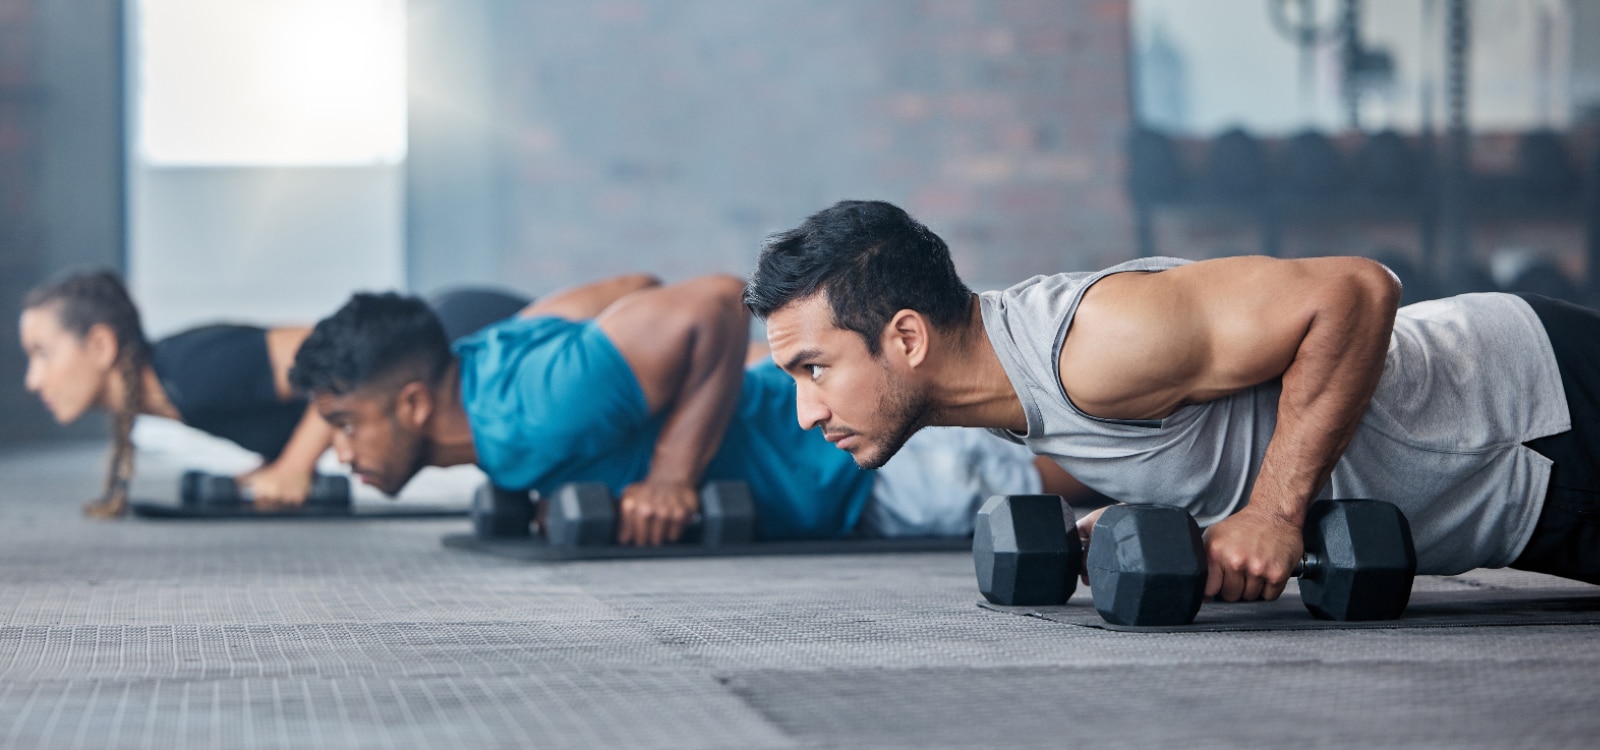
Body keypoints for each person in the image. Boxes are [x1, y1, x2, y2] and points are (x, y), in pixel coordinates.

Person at [745, 199, 1600, 602]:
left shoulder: (1090, 345)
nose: (805, 412)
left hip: (1539, 409)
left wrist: (1270, 512)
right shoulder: (1007, 395)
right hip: (1519, 499)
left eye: (814, 369)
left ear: (905, 339)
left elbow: (1354, 290)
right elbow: (1202, 431)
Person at [288, 274, 1089, 546]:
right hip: (825, 457)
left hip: (869, 467)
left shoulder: (532, 410)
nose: (339, 453)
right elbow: (630, 286)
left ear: (416, 401)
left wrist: (672, 470)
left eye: (348, 424)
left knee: (1120, 473)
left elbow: (708, 300)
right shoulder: (492, 364)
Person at [17, 269, 534, 517]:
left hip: (468, 330)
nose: (33, 378)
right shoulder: (173, 390)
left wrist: (294, 465)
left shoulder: (193, 371)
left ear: (102, 344)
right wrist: (274, 465)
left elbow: (339, 366)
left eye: (43, 353)